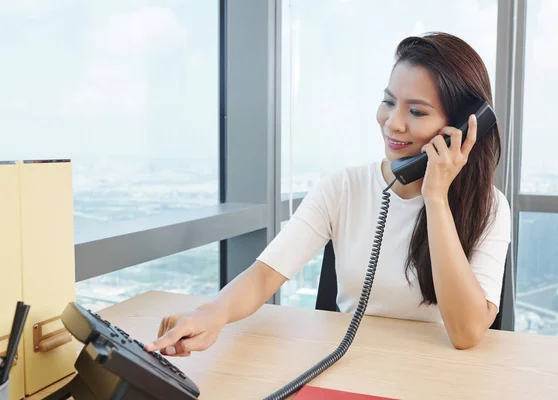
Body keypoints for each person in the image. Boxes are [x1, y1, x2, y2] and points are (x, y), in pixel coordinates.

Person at [144, 32, 511, 355]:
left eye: (416, 111)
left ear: (463, 127)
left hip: (441, 377)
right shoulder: (344, 188)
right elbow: (263, 276)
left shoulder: (489, 207)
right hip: (353, 365)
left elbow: (466, 334)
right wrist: (211, 314)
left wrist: (436, 198)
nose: (393, 122)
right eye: (388, 101)